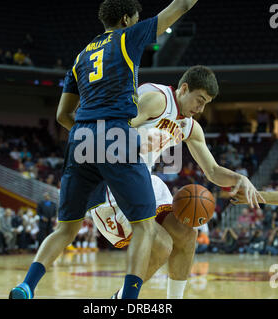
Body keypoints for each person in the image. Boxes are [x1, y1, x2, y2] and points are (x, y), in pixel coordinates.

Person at [10, 0, 202, 300]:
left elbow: (62, 114)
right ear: (127, 19)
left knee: (66, 229)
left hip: (80, 137)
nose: (139, 22)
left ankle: (27, 286)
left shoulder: (81, 56)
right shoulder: (129, 37)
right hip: (116, 133)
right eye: (137, 18)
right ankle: (127, 300)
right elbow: (181, 5)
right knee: (145, 228)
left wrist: (88, 136)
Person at [87, 66, 263, 299]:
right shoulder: (156, 99)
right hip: (112, 179)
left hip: (142, 179)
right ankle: (122, 299)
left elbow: (212, 171)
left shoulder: (190, 127)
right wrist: (141, 141)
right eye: (199, 100)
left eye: (206, 103)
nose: (201, 109)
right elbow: (114, 132)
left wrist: (239, 178)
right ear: (184, 88)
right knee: (162, 245)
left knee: (187, 235)